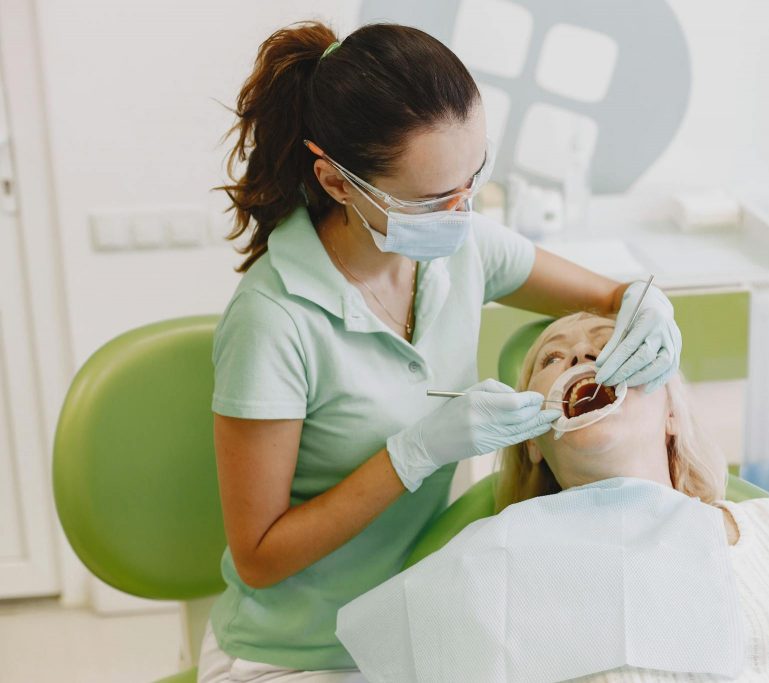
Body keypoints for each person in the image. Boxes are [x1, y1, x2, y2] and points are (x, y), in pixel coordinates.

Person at [198, 19, 683, 682]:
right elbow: (257, 554)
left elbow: (613, 295)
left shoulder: (463, 246)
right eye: (433, 199)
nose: (461, 211)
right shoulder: (273, 321)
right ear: (338, 182)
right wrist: (413, 454)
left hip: (421, 620)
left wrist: (647, 302)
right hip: (298, 653)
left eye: (474, 177)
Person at [490, 311, 769, 682]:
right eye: (551, 357)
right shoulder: (501, 574)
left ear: (672, 414)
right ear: (531, 439)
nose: (580, 357)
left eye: (612, 346)